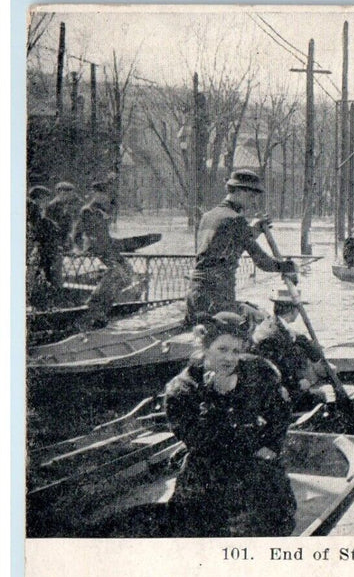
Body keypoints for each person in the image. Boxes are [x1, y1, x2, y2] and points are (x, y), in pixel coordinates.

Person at [163, 311, 296, 537]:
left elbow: (281, 410)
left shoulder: (257, 372)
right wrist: (219, 398)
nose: (230, 358)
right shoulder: (182, 390)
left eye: (236, 351)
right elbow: (201, 441)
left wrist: (271, 445)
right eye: (222, 350)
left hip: (254, 463)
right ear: (204, 348)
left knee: (275, 521)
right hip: (208, 469)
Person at [185, 169, 296, 324]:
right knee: (263, 323)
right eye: (251, 196)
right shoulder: (236, 220)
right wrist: (287, 266)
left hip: (194, 296)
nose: (253, 201)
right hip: (217, 299)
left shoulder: (208, 216)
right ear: (238, 191)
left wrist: (252, 231)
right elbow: (262, 262)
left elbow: (221, 245)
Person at [70, 179, 134, 330]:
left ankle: (103, 306)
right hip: (97, 249)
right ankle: (95, 304)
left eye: (105, 194)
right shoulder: (87, 211)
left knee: (128, 274)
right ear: (94, 194)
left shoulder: (102, 211)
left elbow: (105, 235)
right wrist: (78, 249)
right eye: (101, 194)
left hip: (108, 247)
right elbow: (77, 232)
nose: (105, 197)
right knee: (117, 273)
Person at [43, 181, 80, 248]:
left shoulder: (67, 205)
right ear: (59, 193)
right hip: (55, 239)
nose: (69, 196)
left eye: (70, 194)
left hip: (66, 238)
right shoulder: (51, 206)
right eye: (67, 194)